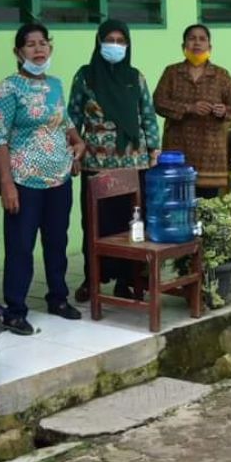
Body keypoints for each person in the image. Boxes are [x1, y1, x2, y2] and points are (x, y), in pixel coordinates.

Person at [0, 22, 86, 335]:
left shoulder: (57, 85)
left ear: (51, 47)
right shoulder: (8, 87)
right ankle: (15, 308)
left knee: (56, 241)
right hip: (23, 180)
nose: (38, 49)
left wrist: (78, 141)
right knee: (21, 245)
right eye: (30, 44)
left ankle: (58, 298)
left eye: (43, 43)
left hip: (59, 178)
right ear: (18, 52)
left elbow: (66, 122)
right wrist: (6, 183)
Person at [68, 19, 161, 303]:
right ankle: (94, 278)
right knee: (96, 226)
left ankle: (130, 279)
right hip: (97, 163)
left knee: (132, 225)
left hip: (134, 162)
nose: (116, 46)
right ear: (98, 42)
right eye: (111, 39)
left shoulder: (136, 77)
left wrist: (154, 149)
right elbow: (73, 117)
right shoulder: (86, 77)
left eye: (122, 41)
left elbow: (147, 115)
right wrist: (73, 150)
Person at [153, 24, 231, 196]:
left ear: (210, 47)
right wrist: (188, 108)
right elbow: (158, 102)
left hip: (211, 155)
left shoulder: (221, 75)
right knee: (176, 202)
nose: (197, 43)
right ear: (183, 46)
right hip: (178, 150)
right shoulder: (172, 72)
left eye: (202, 39)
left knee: (207, 207)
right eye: (192, 38)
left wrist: (223, 111)